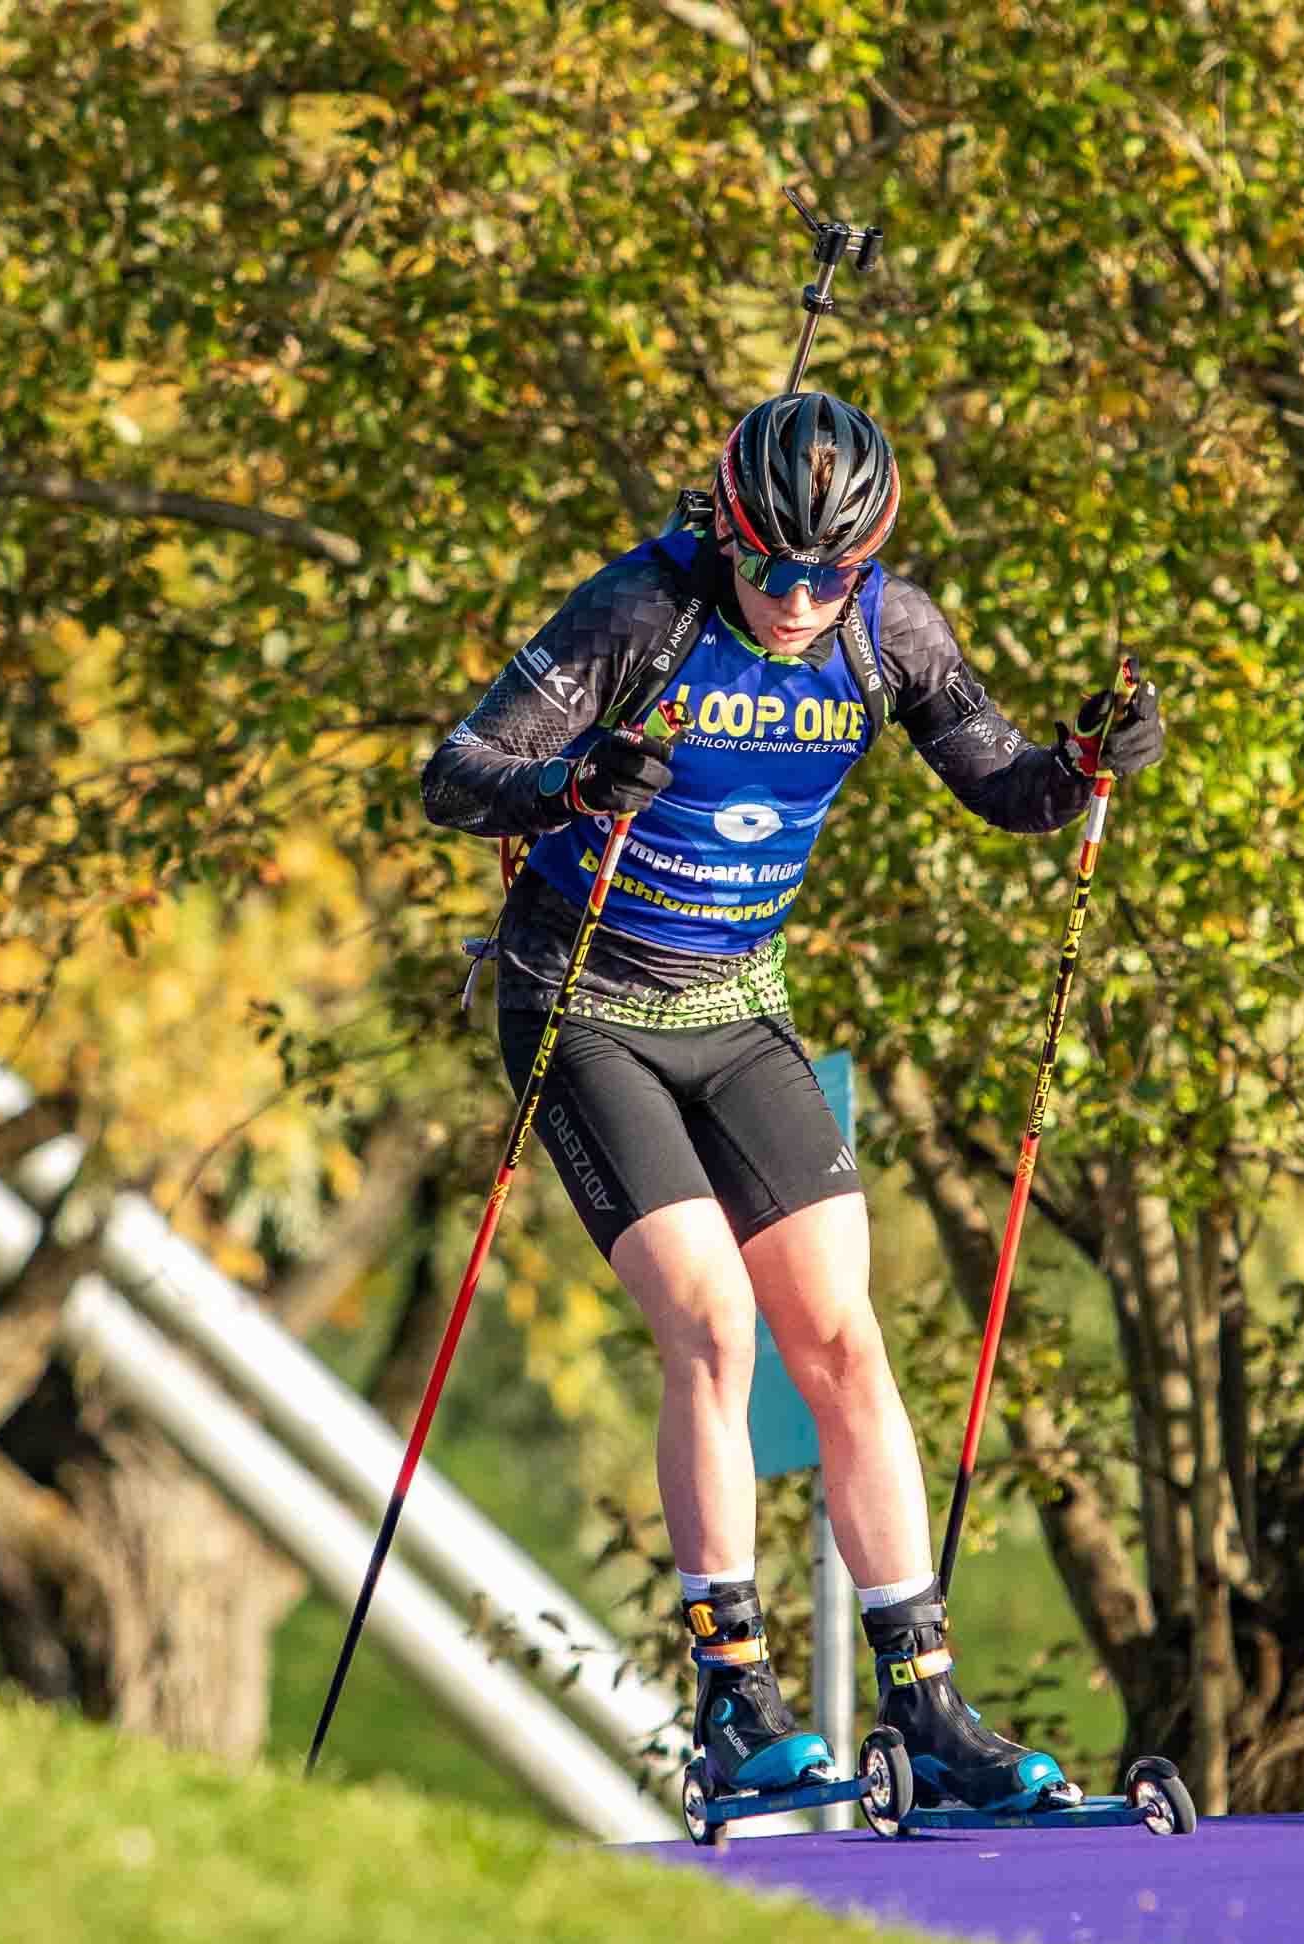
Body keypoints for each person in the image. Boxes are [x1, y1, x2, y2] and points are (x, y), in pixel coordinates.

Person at [421, 390, 1164, 1808]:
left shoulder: (893, 632)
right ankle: (734, 1700)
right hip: (583, 1002)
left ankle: (928, 1706)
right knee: (712, 1323)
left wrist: (1085, 768)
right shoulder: (642, 611)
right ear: (728, 530)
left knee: (837, 1333)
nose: (802, 599)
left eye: (834, 572)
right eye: (775, 566)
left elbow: (1006, 786)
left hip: (738, 1009)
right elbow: (453, 776)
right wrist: (573, 782)